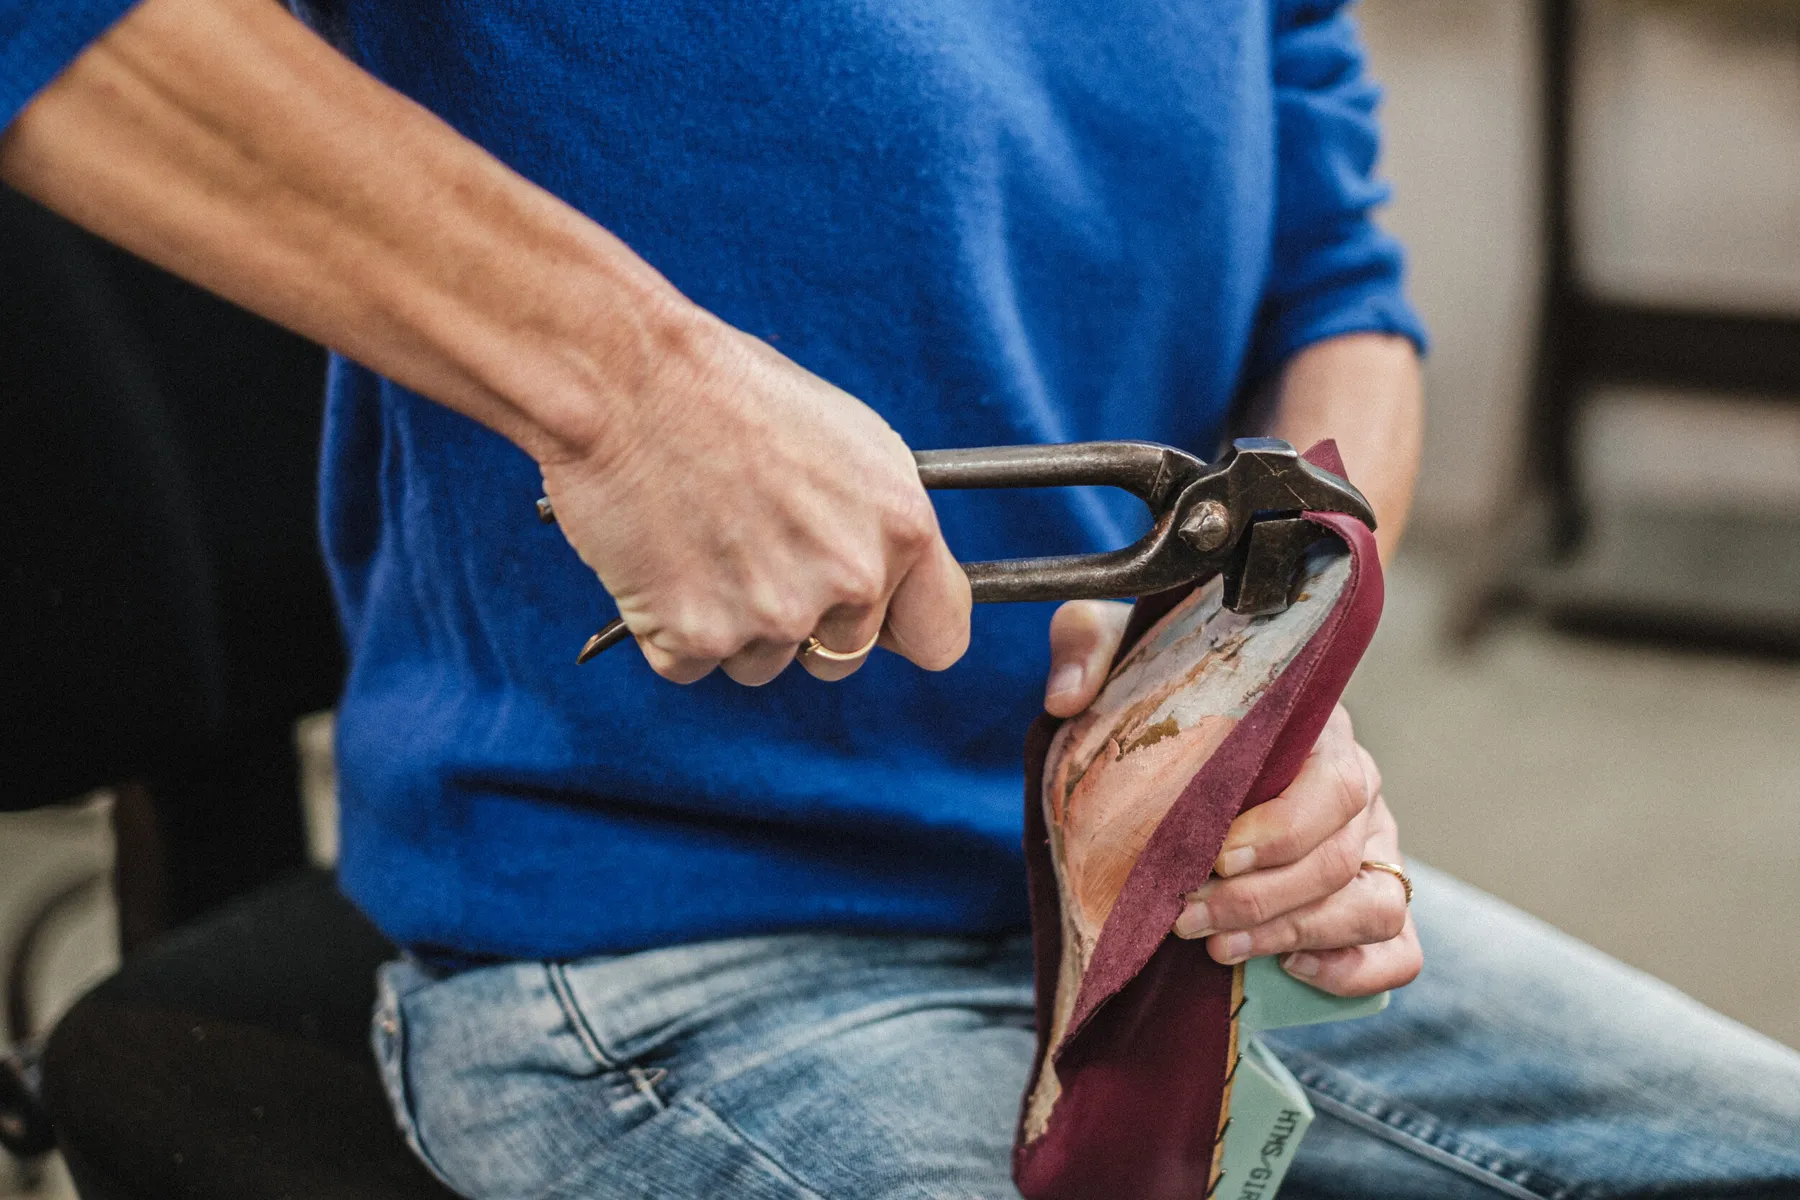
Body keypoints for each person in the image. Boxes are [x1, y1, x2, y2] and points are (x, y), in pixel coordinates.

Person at [3, 0, 1796, 1196]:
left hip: (1145, 918)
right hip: (664, 947)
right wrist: (623, 382)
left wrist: (1263, 683)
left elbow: (1339, 291)